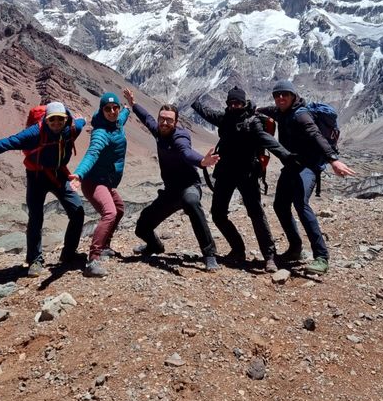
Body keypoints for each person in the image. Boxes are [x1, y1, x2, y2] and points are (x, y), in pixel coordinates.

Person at [0, 101, 86, 277]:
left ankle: (68, 254)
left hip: (59, 175)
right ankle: (35, 260)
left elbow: (81, 122)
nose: (56, 123)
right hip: (36, 178)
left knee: (77, 211)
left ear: (66, 119)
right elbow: (4, 144)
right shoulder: (34, 134)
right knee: (36, 218)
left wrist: (83, 120)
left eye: (60, 119)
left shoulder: (72, 129)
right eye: (52, 120)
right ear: (46, 120)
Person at [259, 80, 356, 275]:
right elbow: (264, 110)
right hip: (292, 165)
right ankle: (295, 248)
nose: (280, 98)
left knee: (300, 203)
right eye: (277, 95)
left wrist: (333, 160)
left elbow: (316, 135)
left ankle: (321, 257)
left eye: (284, 94)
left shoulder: (301, 115)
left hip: (309, 166)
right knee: (280, 205)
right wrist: (248, 109)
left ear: (293, 96)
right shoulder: (280, 111)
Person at [191, 86, 293, 272]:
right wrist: (194, 101)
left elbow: (266, 140)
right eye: (231, 102)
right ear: (228, 104)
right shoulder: (224, 118)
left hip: (248, 175)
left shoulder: (252, 122)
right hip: (225, 174)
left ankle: (269, 256)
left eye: (238, 102)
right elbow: (206, 113)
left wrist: (286, 156)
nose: (235, 105)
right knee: (218, 214)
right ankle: (238, 249)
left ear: (244, 103)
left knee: (256, 214)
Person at [123, 88, 221, 272]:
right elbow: (147, 119)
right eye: (162, 119)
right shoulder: (159, 131)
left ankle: (209, 254)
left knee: (191, 202)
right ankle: (155, 246)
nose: (165, 122)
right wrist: (133, 104)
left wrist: (201, 161)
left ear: (176, 122)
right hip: (170, 192)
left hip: (188, 186)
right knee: (142, 227)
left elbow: (186, 152)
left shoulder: (179, 136)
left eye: (169, 120)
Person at [69, 92, 128, 278]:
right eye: (107, 109)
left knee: (119, 209)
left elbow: (124, 116)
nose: (112, 112)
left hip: (106, 181)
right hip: (93, 182)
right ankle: (92, 260)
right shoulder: (101, 133)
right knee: (109, 213)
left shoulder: (117, 122)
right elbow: (92, 153)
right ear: (101, 111)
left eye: (115, 108)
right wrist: (79, 174)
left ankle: (105, 246)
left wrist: (129, 107)